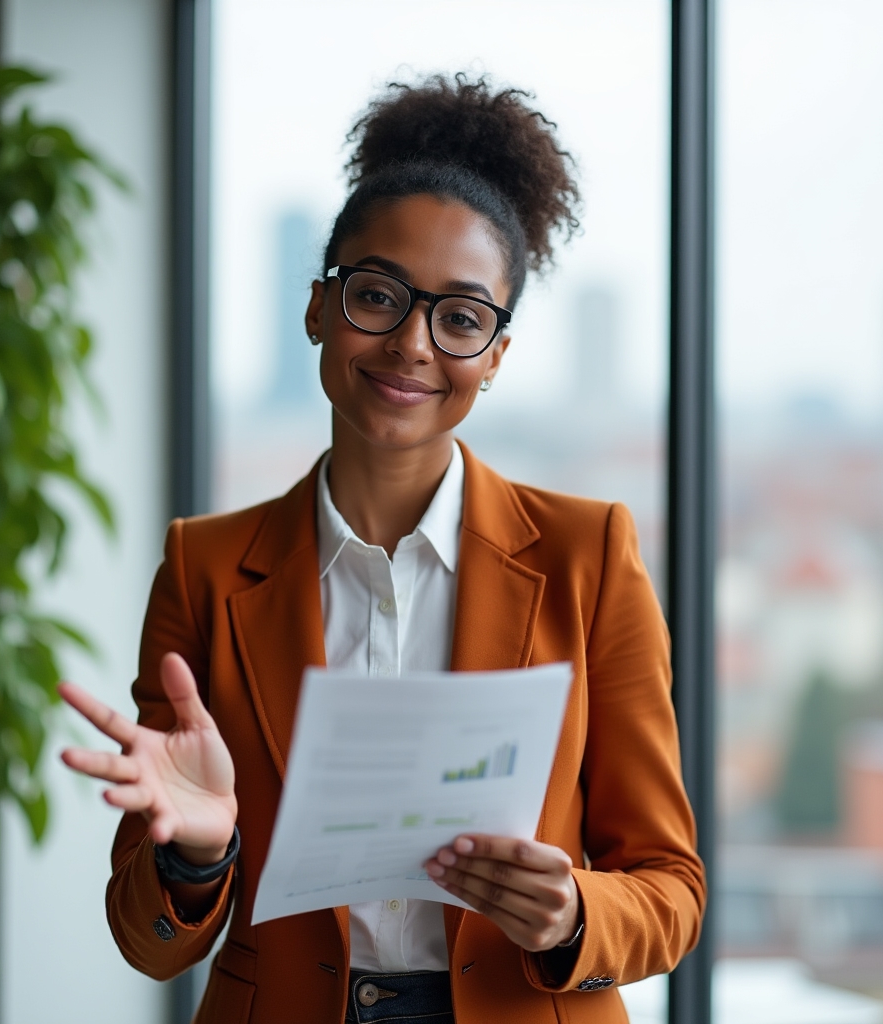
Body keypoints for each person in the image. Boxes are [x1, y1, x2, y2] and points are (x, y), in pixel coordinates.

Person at [59, 75, 705, 1024]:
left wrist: (575, 914)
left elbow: (671, 890)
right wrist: (196, 855)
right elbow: (147, 942)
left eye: (460, 317)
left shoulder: (588, 557)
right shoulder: (205, 568)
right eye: (377, 295)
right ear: (318, 309)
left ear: (495, 355)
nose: (412, 343)